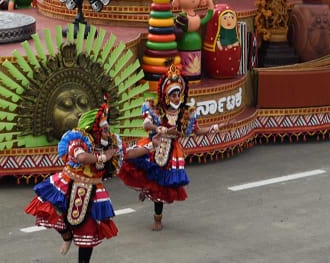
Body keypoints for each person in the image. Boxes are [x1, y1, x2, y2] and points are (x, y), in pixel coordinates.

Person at [117, 59, 218, 232]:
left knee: (162, 185)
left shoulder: (187, 113)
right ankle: (146, 190)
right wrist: (159, 129)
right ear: (165, 95)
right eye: (173, 95)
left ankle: (157, 218)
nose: (176, 98)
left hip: (172, 151)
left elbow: (196, 131)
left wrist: (211, 129)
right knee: (145, 171)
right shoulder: (154, 108)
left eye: (178, 94)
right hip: (154, 144)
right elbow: (146, 125)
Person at [25, 104, 121, 260]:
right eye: (104, 130)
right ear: (93, 129)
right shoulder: (78, 139)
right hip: (68, 184)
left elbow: (125, 155)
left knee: (88, 233)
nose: (107, 133)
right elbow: (81, 157)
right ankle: (67, 236)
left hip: (93, 190)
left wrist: (151, 146)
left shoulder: (110, 143)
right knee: (49, 209)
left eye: (107, 129)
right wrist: (104, 157)